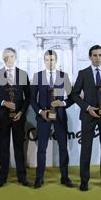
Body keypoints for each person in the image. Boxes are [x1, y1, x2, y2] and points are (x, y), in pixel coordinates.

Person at [70, 45, 101, 191]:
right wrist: (87, 108)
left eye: (100, 55)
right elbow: (74, 94)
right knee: (86, 149)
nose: (97, 58)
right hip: (88, 116)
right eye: (94, 55)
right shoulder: (83, 73)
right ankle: (84, 181)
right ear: (90, 57)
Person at [30, 50, 74, 188]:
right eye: (48, 59)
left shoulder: (63, 76)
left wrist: (64, 103)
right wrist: (40, 111)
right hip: (43, 117)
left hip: (60, 116)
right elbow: (32, 98)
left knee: (63, 148)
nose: (50, 62)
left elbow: (73, 97)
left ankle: (65, 177)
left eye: (53, 59)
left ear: (56, 60)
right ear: (44, 60)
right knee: (42, 148)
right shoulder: (37, 76)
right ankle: (39, 177)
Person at [0, 48, 30, 187]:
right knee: (4, 147)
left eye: (11, 56)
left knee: (19, 147)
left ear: (15, 57)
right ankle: (2, 177)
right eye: (6, 57)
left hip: (18, 116)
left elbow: (28, 97)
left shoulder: (22, 74)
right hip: (2, 117)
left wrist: (21, 112)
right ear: (3, 58)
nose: (9, 59)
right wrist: (3, 102)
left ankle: (22, 176)